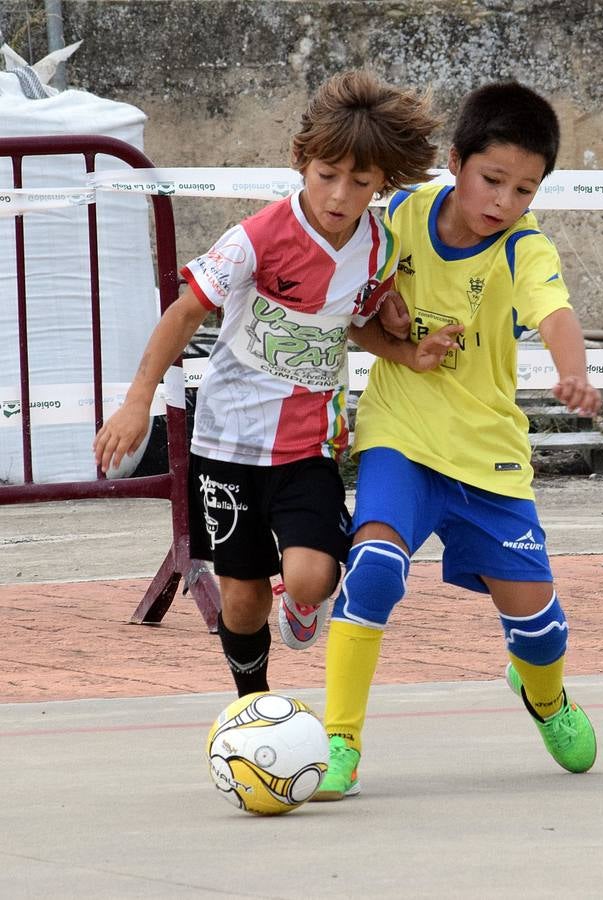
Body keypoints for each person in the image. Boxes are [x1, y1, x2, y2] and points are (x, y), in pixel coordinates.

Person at [93, 70, 456, 698]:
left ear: (383, 184)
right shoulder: (255, 239)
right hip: (226, 445)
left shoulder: (377, 248)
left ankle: (303, 604)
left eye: (361, 183)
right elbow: (184, 313)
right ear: (301, 161)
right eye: (327, 175)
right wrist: (135, 403)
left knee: (313, 575)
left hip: (308, 443)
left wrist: (405, 350)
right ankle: (253, 706)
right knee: (241, 598)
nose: (340, 195)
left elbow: (356, 324)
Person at [307, 80, 603, 801]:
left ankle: (543, 695)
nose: (503, 200)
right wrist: (389, 329)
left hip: (487, 456)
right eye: (492, 179)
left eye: (523, 190)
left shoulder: (524, 251)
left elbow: (555, 313)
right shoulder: (399, 216)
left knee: (539, 632)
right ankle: (339, 740)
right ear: (455, 161)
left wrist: (574, 371)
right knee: (374, 565)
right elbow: (348, 306)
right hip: (399, 436)